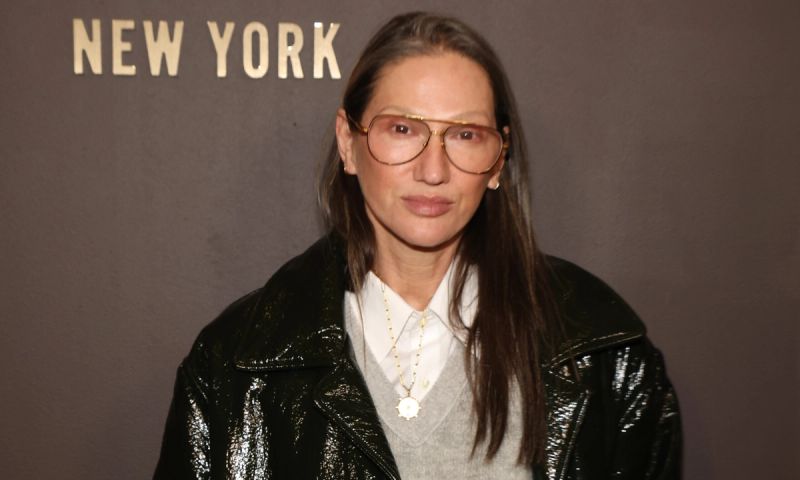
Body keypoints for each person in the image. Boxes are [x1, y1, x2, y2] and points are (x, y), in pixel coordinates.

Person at [154, 11, 681, 479]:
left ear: (498, 161)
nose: (433, 170)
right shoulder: (236, 365)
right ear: (349, 143)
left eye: (465, 135)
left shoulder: (603, 351)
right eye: (404, 128)